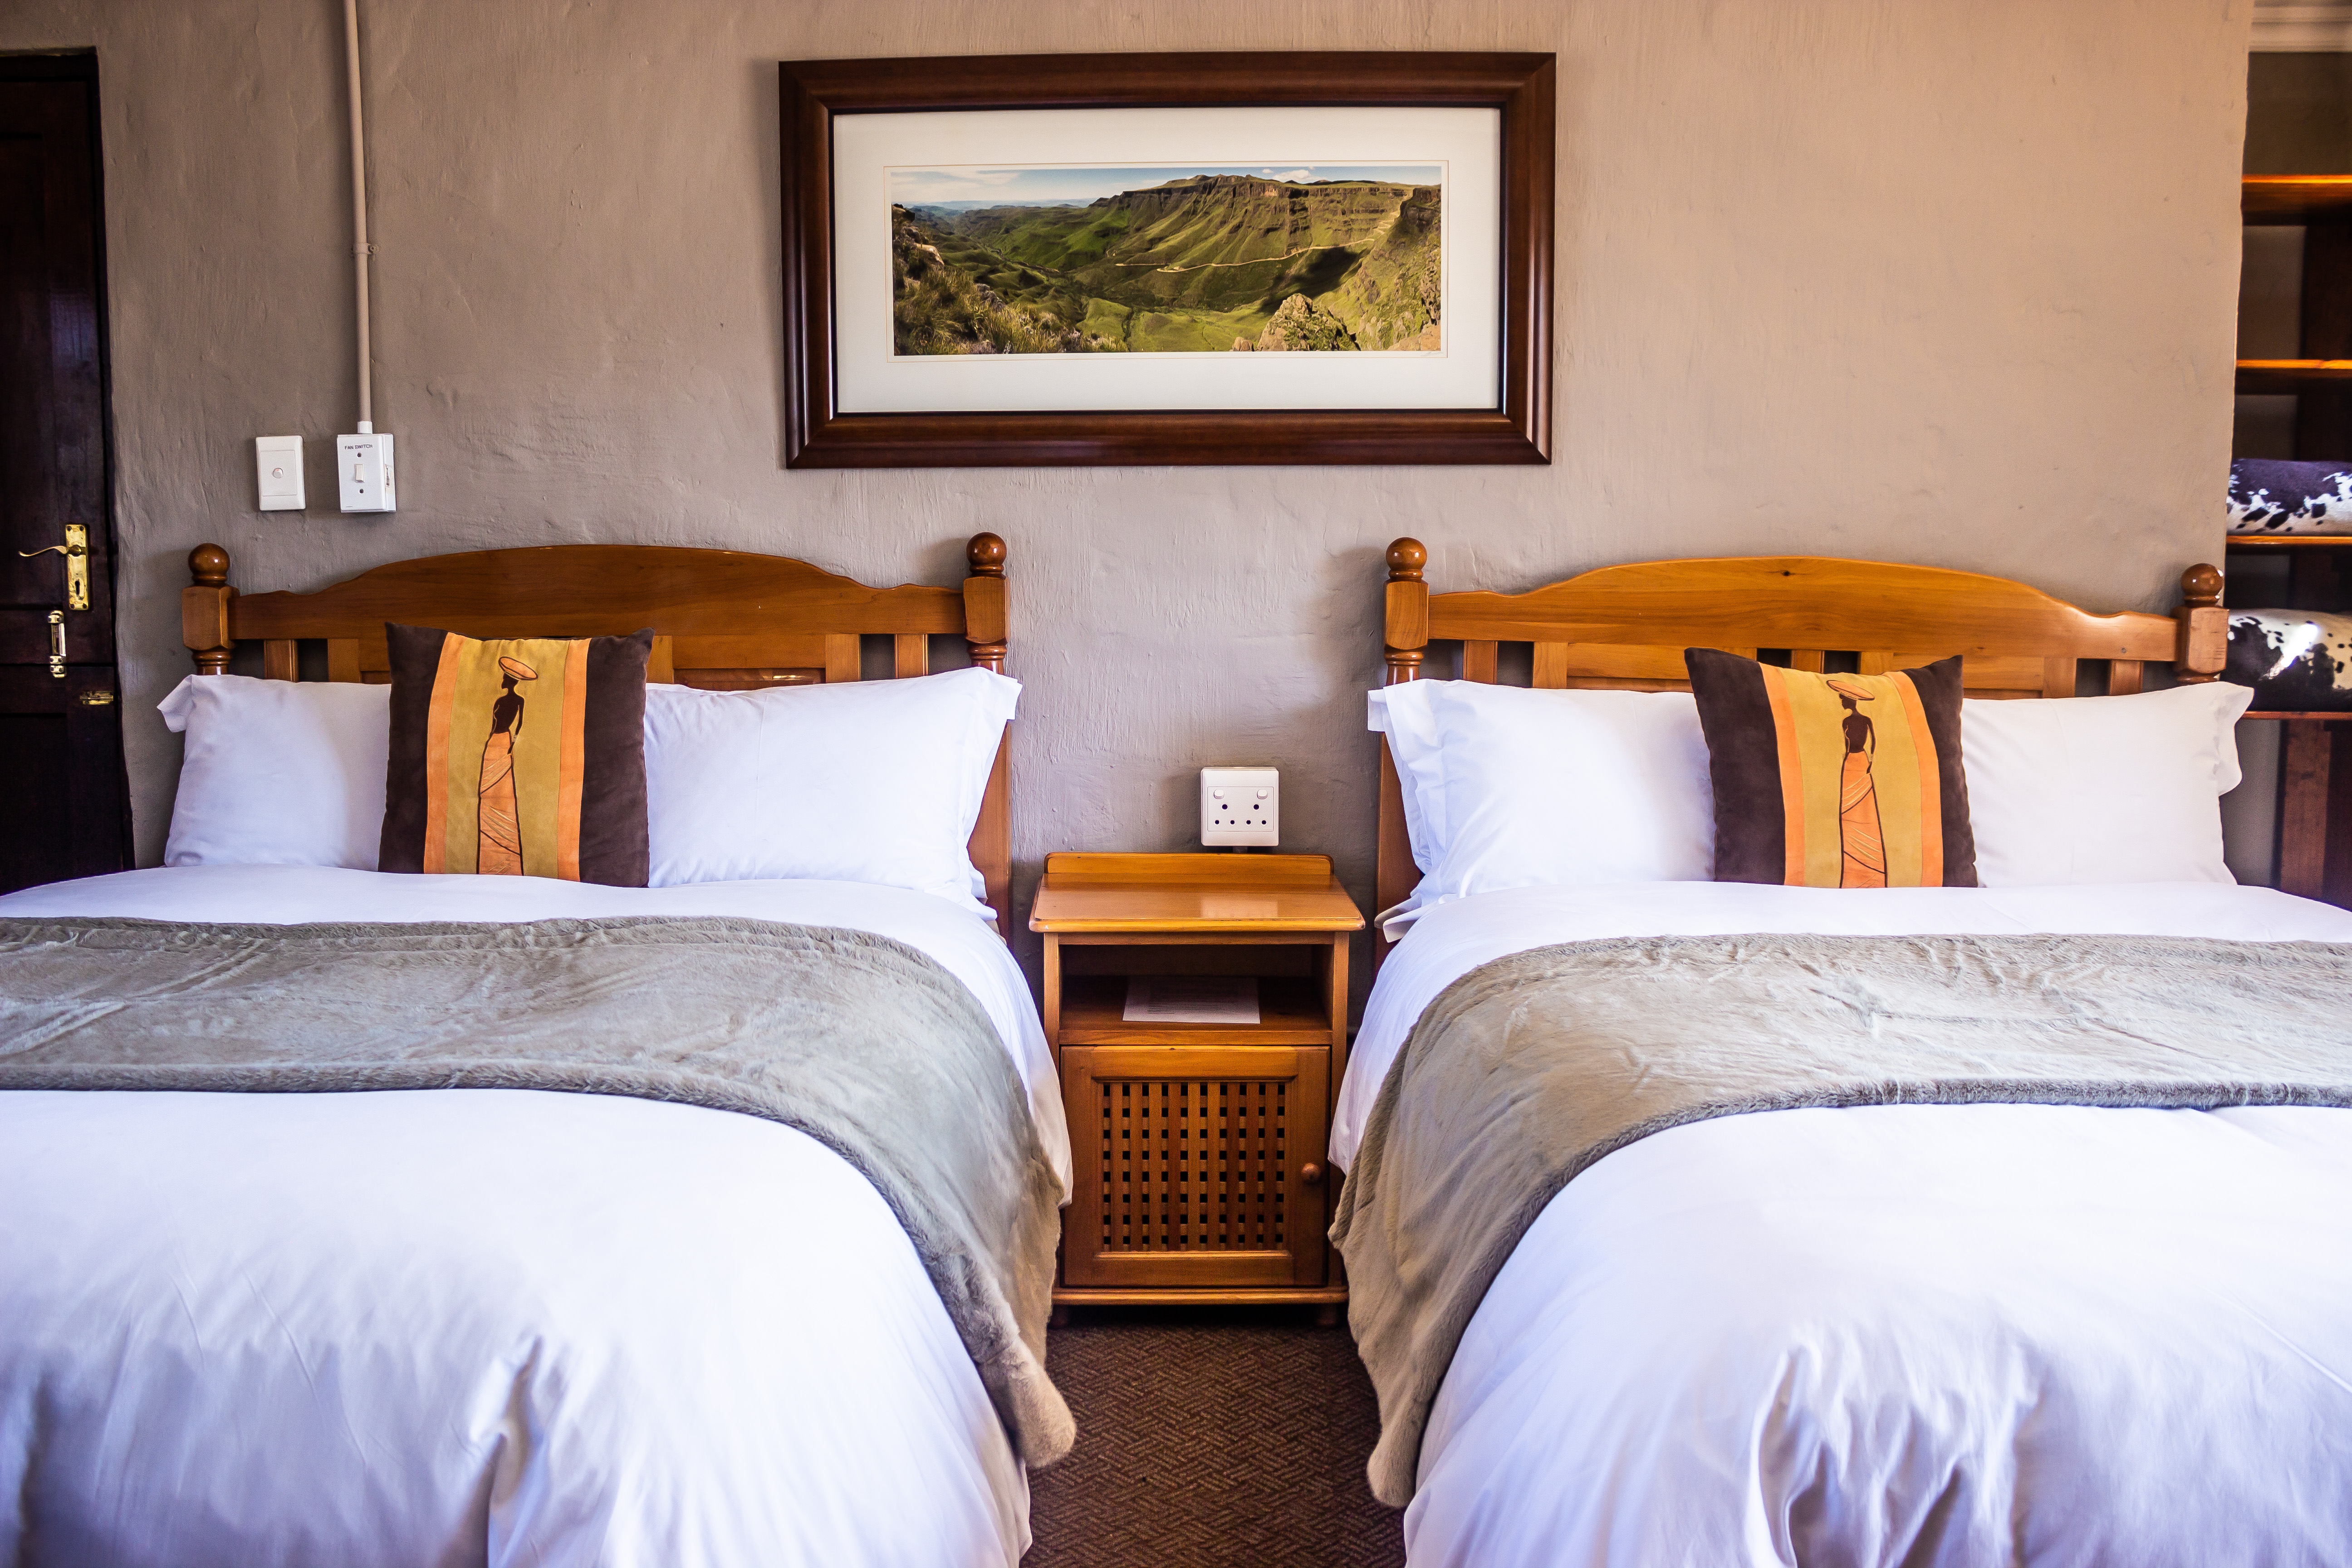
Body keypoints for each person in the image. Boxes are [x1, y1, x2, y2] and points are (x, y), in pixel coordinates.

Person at [1826, 678, 1886, 889]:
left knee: (1863, 804)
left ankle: (1869, 866)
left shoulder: (1859, 720)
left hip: (1858, 761)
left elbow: (1871, 741)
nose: (1842, 702)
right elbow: (1849, 744)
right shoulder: (1848, 721)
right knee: (1847, 808)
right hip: (1853, 761)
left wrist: (1872, 760)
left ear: (1850, 701)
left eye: (1843, 699)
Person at [478, 655, 536, 875]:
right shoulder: (502, 701)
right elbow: (496, 725)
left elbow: (517, 724)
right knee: (487, 790)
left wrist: (513, 744)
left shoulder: (514, 701)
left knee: (502, 787)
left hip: (502, 741)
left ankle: (505, 853)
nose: (502, 681)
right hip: (497, 741)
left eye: (505, 678)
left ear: (509, 681)